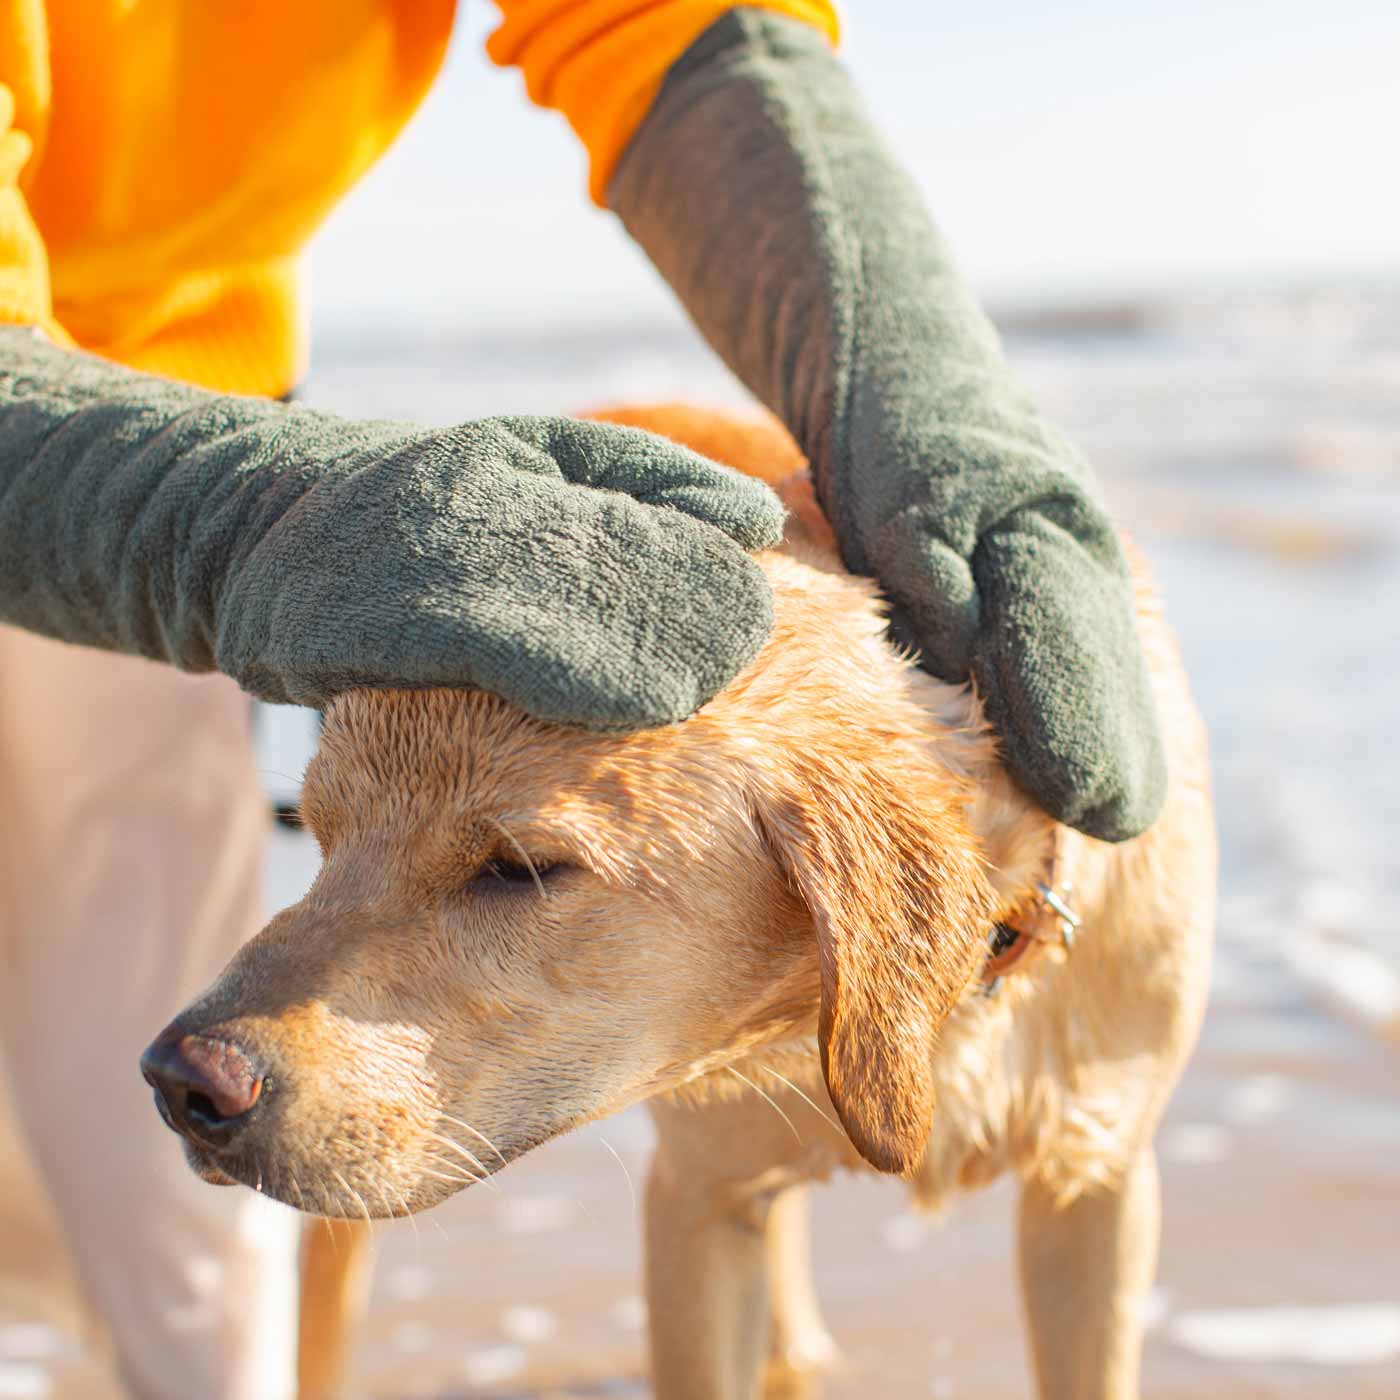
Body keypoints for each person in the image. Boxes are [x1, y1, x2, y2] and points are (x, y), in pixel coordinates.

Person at [0, 2, 1165, 1396]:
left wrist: (913, 377)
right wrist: (221, 521)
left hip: (171, 365)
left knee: (164, 1234)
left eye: (515, 868)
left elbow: (666, 26)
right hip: (111, 448)